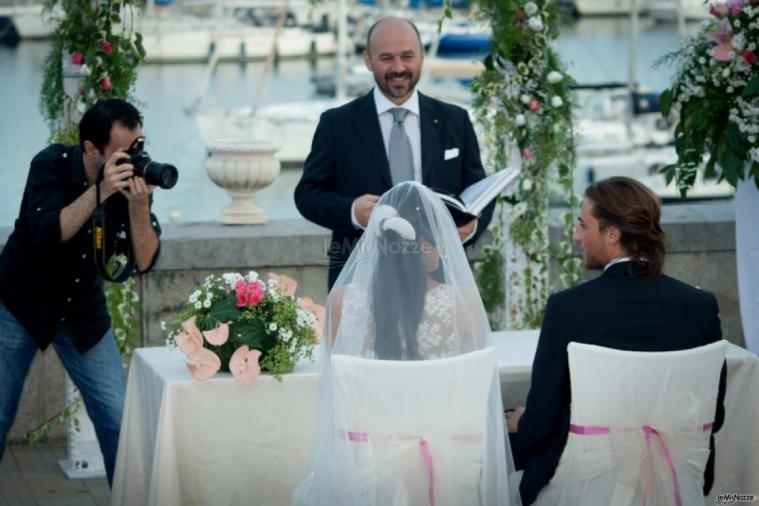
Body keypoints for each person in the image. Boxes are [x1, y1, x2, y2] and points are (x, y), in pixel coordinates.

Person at [292, 182, 517, 505]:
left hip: (365, 470)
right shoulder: (463, 304)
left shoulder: (341, 302)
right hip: (447, 471)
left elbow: (335, 399)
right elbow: (475, 402)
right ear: (428, 245)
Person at [506, 176, 726, 505]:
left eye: (583, 225)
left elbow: (540, 427)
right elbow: (714, 416)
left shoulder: (567, 308)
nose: (576, 235)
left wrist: (521, 420)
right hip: (673, 482)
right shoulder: (700, 306)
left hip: (584, 486)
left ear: (612, 234)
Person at [0, 98, 162, 486]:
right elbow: (49, 231)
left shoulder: (129, 184)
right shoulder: (50, 165)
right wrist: (100, 192)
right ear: (91, 148)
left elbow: (144, 262)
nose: (133, 159)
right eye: (123, 152)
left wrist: (139, 207)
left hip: (81, 311)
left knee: (118, 416)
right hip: (20, 304)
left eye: (137, 147)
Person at [294, 16, 494, 289]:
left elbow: (480, 192)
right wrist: (352, 210)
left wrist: (470, 229)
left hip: (441, 278)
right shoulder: (336, 124)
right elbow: (307, 194)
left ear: (422, 56)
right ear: (368, 60)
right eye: (386, 58)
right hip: (361, 282)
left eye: (407, 56)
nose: (398, 68)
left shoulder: (455, 120)